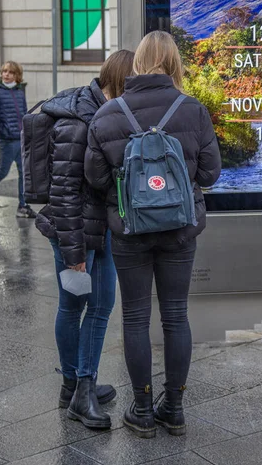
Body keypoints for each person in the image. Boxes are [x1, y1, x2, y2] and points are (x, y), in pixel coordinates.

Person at [85, 31, 222, 438]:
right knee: (176, 317)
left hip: (130, 231)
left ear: (138, 63)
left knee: (135, 318)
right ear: (175, 64)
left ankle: (142, 409)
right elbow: (211, 174)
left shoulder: (109, 114)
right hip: (181, 230)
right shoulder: (193, 110)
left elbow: (94, 178)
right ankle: (174, 408)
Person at [35, 49, 135, 430]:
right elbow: (63, 194)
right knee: (75, 306)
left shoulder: (104, 111)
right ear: (120, 81)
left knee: (102, 303)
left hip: (101, 229)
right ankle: (77, 390)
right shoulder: (78, 121)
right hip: (73, 233)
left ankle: (80, 383)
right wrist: (75, 253)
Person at [0, 61, 36, 217]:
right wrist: (2, 131)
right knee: (2, 172)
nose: (6, 74)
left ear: (17, 75)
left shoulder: (20, 93)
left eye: (10, 72)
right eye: (4, 71)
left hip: (20, 139)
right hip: (7, 140)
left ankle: (23, 206)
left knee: (24, 173)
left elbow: (24, 114)